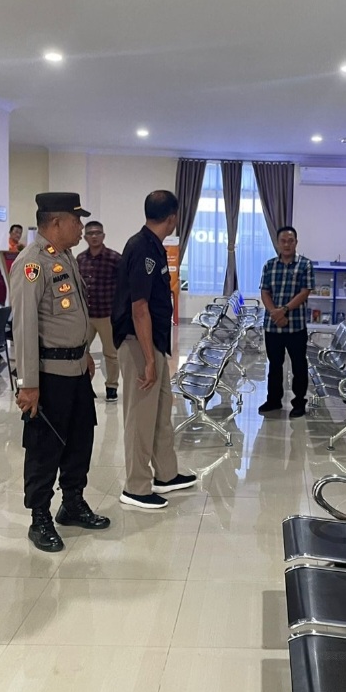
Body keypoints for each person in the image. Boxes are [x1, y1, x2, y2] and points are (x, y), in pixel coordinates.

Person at [11, 192, 110, 552]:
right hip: (49, 375)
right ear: (56, 222)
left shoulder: (64, 256)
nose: (81, 227)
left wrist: (84, 353)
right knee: (44, 447)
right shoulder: (32, 263)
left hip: (76, 369)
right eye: (76, 220)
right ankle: (40, 517)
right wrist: (28, 384)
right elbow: (24, 327)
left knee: (81, 438)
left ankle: (72, 503)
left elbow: (72, 314)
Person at [112, 190, 196, 509]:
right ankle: (135, 486)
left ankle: (166, 474)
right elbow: (139, 308)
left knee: (161, 412)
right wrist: (148, 360)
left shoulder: (155, 246)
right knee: (141, 417)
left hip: (153, 343)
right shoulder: (141, 248)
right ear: (172, 217)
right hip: (138, 344)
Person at [258, 226, 314, 418]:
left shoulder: (305, 265)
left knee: (299, 365)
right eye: (283, 241)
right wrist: (274, 313)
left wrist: (283, 310)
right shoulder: (269, 265)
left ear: (296, 242)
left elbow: (304, 292)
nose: (287, 244)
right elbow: (265, 292)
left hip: (296, 326)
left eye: (291, 241)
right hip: (273, 326)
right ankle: (273, 400)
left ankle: (299, 402)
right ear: (277, 243)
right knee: (274, 365)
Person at [77, 220, 122, 401]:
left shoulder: (114, 258)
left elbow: (124, 285)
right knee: (80, 352)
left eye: (97, 233)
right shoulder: (80, 259)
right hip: (85, 315)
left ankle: (111, 387)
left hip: (107, 314)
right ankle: (84, 386)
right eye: (90, 233)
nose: (94, 236)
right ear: (85, 237)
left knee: (111, 353)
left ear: (103, 236)